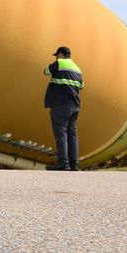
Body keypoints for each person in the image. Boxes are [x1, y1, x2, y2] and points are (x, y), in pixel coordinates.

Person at [43, 44, 84, 172]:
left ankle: (62, 163)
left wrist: (56, 63)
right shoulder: (77, 69)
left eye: (56, 55)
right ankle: (74, 164)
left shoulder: (59, 63)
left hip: (60, 105)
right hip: (75, 106)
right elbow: (82, 86)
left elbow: (46, 71)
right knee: (72, 135)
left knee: (61, 134)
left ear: (60, 54)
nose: (56, 58)